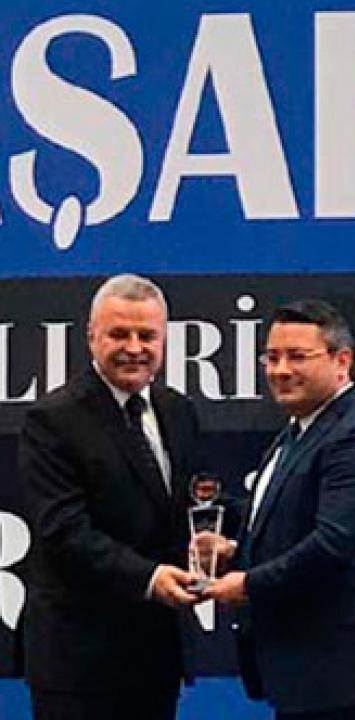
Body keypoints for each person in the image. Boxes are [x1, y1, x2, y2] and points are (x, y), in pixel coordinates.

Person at [200, 299, 355, 719]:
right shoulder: (299, 431)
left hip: (343, 677)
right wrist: (233, 547)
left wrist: (248, 584)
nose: (280, 370)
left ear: (342, 361)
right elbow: (285, 519)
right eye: (272, 357)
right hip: (302, 674)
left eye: (297, 357)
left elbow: (332, 547)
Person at [18, 274, 201, 719]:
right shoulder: (53, 420)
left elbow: (188, 505)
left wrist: (215, 539)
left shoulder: (178, 410)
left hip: (155, 657)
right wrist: (150, 577)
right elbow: (64, 531)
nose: (134, 348)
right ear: (91, 338)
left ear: (164, 340)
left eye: (147, 336)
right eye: (119, 334)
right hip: (78, 666)